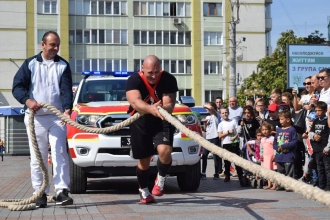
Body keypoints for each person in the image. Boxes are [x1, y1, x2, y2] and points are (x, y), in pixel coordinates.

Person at [12, 31, 73, 208]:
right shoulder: (30, 64)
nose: (55, 48)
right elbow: (17, 86)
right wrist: (28, 100)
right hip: (35, 118)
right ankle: (40, 193)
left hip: (56, 117)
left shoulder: (63, 65)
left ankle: (62, 191)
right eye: (52, 44)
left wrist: (67, 109)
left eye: (57, 45)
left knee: (60, 153)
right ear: (43, 44)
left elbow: (66, 90)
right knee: (37, 156)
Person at [125, 55, 178, 204]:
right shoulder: (133, 80)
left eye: (156, 72)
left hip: (162, 118)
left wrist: (161, 108)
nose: (154, 76)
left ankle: (160, 180)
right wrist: (151, 108)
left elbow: (170, 104)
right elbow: (135, 101)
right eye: (150, 73)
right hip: (140, 120)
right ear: (142, 69)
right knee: (145, 158)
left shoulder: (168, 79)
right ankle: (144, 190)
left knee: (165, 151)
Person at [217, 107, 244, 185]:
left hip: (234, 143)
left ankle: (240, 175)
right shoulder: (220, 124)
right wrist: (228, 132)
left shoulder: (233, 121)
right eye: (223, 113)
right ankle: (227, 175)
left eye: (226, 112)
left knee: (237, 160)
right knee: (227, 162)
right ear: (220, 114)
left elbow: (237, 131)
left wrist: (234, 137)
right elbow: (220, 136)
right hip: (226, 144)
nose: (225, 114)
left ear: (228, 113)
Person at [273, 110, 298, 191]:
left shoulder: (292, 130)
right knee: (280, 171)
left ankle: (290, 186)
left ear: (288, 119)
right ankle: (280, 185)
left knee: (289, 171)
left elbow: (294, 142)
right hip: (279, 155)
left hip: (288, 155)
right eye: (280, 119)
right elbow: (275, 142)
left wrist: (284, 146)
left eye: (282, 119)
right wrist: (277, 147)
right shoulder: (279, 130)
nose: (280, 121)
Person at [308, 101, 330, 190]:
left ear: (325, 110)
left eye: (320, 110)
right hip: (317, 149)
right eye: (316, 110)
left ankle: (328, 186)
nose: (318, 112)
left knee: (328, 169)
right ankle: (321, 185)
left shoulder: (327, 121)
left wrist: (328, 148)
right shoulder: (316, 120)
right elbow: (310, 132)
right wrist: (314, 136)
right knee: (319, 168)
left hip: (325, 149)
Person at [200, 102, 222, 180]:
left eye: (207, 108)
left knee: (215, 156)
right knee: (204, 155)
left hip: (215, 137)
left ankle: (216, 173)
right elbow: (206, 129)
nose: (206, 109)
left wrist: (204, 105)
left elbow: (212, 109)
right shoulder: (208, 117)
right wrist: (205, 124)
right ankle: (203, 173)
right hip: (208, 138)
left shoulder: (216, 115)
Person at [259, 122, 277, 190]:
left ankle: (274, 184)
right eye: (263, 130)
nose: (264, 131)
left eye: (266, 129)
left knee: (273, 170)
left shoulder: (272, 138)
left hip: (271, 156)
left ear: (270, 130)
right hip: (265, 157)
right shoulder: (262, 139)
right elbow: (261, 148)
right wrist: (261, 154)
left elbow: (275, 147)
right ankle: (269, 184)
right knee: (267, 171)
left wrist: (275, 155)